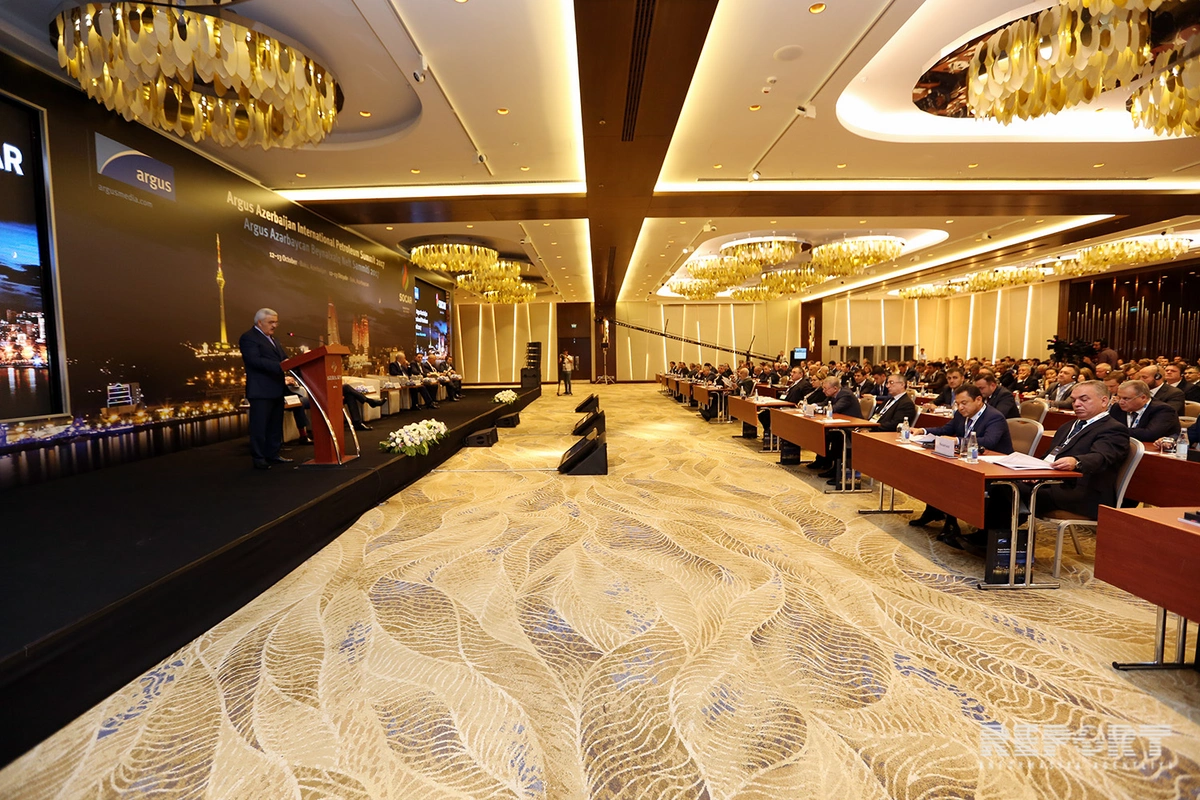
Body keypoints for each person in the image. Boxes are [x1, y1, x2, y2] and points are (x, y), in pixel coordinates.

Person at [975, 380, 1130, 550]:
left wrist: (1076, 461)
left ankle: (991, 543)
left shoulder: (1113, 429)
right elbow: (1049, 457)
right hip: (1051, 481)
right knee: (1000, 483)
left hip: (1080, 491)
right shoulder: (1068, 426)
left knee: (1008, 489)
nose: (1077, 404)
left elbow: (1101, 457)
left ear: (1104, 401)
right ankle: (991, 538)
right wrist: (1034, 471)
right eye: (1074, 400)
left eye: (1084, 399)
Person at [908, 385, 1013, 547]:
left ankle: (961, 526)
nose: (960, 407)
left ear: (978, 400)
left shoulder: (994, 417)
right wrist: (923, 430)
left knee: (952, 477)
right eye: (957, 404)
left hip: (995, 467)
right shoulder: (961, 414)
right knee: (937, 470)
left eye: (964, 403)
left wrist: (957, 440)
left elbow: (989, 441)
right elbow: (946, 429)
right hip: (969, 460)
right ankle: (937, 513)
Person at [239, 308, 291, 470]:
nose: (274, 325)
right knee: (260, 426)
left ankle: (273, 454)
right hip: (261, 390)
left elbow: (284, 358)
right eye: (271, 322)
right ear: (259, 322)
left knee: (275, 425)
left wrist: (291, 362)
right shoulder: (249, 338)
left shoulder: (273, 339)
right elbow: (254, 361)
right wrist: (280, 366)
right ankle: (259, 457)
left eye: (276, 322)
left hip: (277, 388)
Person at [1109, 379, 1180, 443]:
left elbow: (1150, 434)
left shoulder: (1163, 410)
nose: (1121, 402)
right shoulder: (1117, 407)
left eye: (1126, 398)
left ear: (1143, 398)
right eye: (1119, 398)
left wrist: (1116, 430)